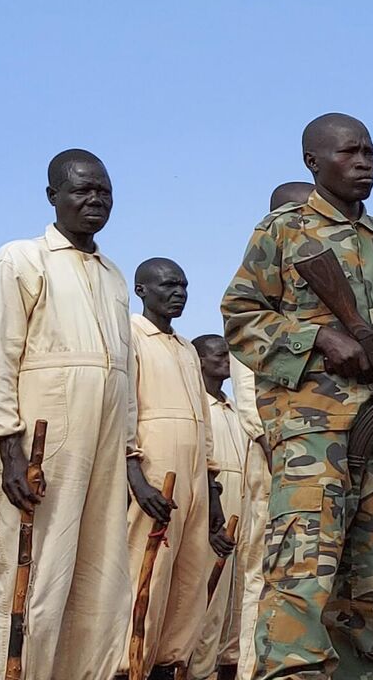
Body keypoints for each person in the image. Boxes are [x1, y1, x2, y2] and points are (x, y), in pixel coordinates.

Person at [221, 113, 373, 679]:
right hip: (313, 439)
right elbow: (240, 316)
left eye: (371, 152)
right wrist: (316, 338)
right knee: (302, 580)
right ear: (313, 162)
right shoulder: (283, 231)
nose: (364, 163)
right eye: (349, 152)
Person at [0, 149, 155, 678]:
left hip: (104, 443)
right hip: (44, 437)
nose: (95, 199)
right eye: (82, 190)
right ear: (53, 196)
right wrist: (8, 447)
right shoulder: (22, 258)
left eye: (104, 191)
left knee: (101, 575)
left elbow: (123, 375)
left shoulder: (113, 275)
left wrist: (129, 455)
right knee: (37, 572)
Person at [124, 256, 221, 679]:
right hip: (154, 472)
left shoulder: (186, 349)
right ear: (141, 290)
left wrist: (212, 491)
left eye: (182, 285)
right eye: (167, 285)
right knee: (146, 573)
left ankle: (169, 663)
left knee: (188, 579)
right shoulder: (130, 335)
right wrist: (136, 479)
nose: (177, 292)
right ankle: (129, 663)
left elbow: (204, 421)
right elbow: (124, 409)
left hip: (195, 478)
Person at [234, 181, 312, 680]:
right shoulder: (264, 291)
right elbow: (249, 391)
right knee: (270, 572)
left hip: (320, 461)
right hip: (279, 458)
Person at [192, 334, 248, 680]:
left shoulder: (236, 411)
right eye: (220, 354)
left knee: (236, 599)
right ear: (199, 360)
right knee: (206, 602)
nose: (227, 358)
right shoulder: (198, 406)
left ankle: (228, 666)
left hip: (242, 507)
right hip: (213, 508)